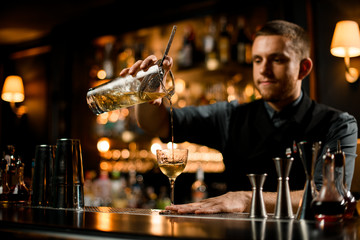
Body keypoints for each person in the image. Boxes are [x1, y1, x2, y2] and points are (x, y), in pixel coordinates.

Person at [120, 20, 358, 214]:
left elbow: (330, 193)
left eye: (277, 59)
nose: (263, 70)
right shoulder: (230, 116)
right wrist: (146, 93)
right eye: (257, 60)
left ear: (303, 68)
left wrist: (246, 198)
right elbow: (158, 124)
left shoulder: (337, 125)